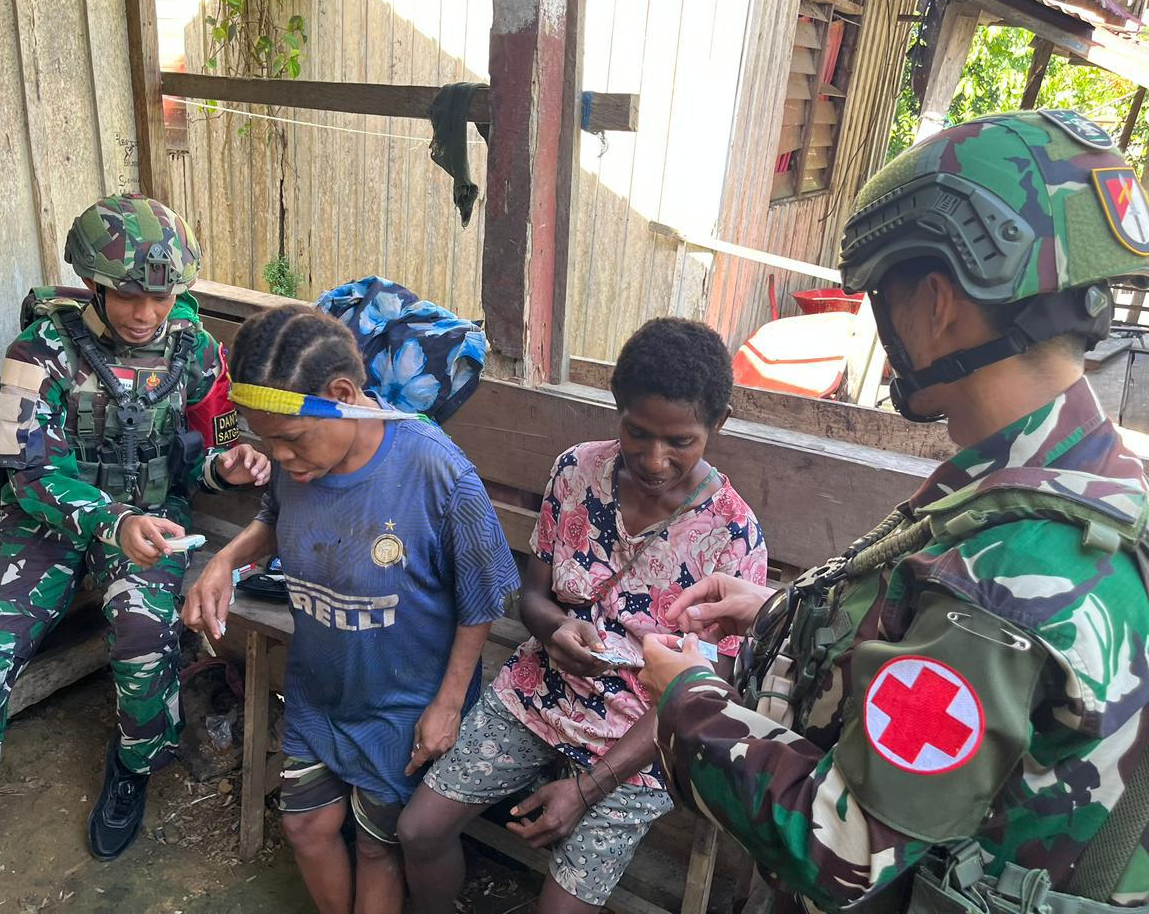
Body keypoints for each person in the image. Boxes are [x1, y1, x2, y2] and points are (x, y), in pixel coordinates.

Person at [640, 110, 1149, 914]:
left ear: (937, 304)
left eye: (884, 295)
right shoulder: (1086, 477)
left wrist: (687, 699)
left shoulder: (1011, 575)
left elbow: (841, 848)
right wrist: (776, 612)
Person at [0, 194, 271, 914]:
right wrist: (111, 520)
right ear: (93, 282)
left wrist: (231, 464)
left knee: (145, 642)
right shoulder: (39, 353)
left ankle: (133, 764)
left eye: (162, 295)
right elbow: (30, 473)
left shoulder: (192, 348)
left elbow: (211, 435)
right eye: (129, 294)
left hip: (150, 521)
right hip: (47, 524)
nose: (147, 312)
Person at [398, 317, 768, 913]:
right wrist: (554, 629)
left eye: (680, 441)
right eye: (637, 432)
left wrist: (586, 790)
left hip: (643, 738)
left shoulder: (733, 534)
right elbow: (532, 595)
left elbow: (696, 695)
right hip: (541, 688)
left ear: (717, 424)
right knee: (418, 832)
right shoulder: (577, 472)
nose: (654, 459)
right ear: (618, 409)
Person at [182, 305, 519, 914]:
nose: (280, 458)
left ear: (342, 396)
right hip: (321, 688)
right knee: (305, 826)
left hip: (403, 704)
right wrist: (225, 560)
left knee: (374, 847)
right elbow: (275, 516)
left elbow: (481, 597)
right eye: (267, 441)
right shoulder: (301, 465)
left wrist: (447, 706)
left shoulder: (436, 472)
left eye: (290, 440)